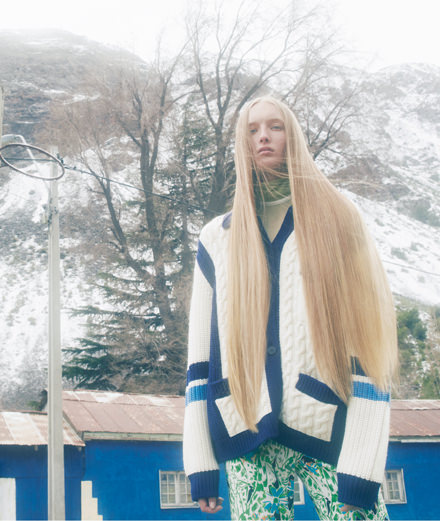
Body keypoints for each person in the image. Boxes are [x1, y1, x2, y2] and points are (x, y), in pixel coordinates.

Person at [183, 96, 398, 520]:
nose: (263, 136)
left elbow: (370, 349)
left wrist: (362, 466)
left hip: (329, 427)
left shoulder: (338, 221)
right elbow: (200, 357)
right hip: (247, 429)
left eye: (275, 126)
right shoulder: (217, 238)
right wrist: (200, 462)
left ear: (293, 136)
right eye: (252, 130)